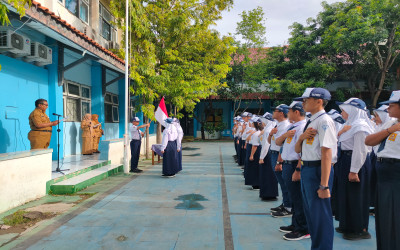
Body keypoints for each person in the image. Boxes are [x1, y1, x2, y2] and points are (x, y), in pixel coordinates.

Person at [294, 88, 337, 250]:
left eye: (306, 100)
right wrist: (301, 137)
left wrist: (324, 185)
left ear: (319, 101)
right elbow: (298, 150)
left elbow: (327, 153)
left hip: (319, 171)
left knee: (320, 216)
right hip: (308, 170)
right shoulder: (312, 121)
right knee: (312, 215)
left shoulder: (324, 121)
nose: (303, 103)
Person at [365, 90, 400, 250]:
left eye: (391, 106)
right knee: (384, 217)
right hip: (383, 173)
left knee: (395, 218)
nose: (387, 109)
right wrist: (391, 130)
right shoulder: (391, 123)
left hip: (395, 173)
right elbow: (369, 140)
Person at [336, 98, 374, 240]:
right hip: (346, 160)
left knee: (357, 196)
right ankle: (347, 225)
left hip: (356, 162)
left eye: (344, 110)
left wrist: (354, 170)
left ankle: (359, 228)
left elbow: (361, 150)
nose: (342, 112)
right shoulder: (349, 125)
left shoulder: (361, 127)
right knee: (346, 194)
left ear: (353, 110)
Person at [274, 101, 309, 240]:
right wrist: (285, 135)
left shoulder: (302, 128)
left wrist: (298, 169)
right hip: (288, 164)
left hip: (295, 164)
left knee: (299, 198)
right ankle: (295, 224)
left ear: (296, 112)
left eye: (289, 111)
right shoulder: (292, 127)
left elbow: (303, 152)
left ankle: (303, 229)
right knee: (294, 197)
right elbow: (278, 143)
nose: (287, 113)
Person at [267, 104, 291, 215]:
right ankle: (285, 203)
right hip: (273, 153)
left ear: (281, 113)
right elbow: (269, 141)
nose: (273, 112)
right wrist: (271, 134)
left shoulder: (286, 126)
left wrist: (279, 161)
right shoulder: (278, 125)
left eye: (275, 111)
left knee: (284, 183)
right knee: (281, 183)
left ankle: (288, 207)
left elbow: (283, 146)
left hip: (278, 155)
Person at [258, 112, 279, 200]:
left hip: (267, 154)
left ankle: (268, 194)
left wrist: (261, 157)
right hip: (270, 153)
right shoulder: (272, 127)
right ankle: (271, 193)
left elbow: (266, 145)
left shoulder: (268, 130)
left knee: (267, 175)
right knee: (271, 175)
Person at [246, 117, 262, 189]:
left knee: (255, 167)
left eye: (253, 123)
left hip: (256, 150)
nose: (252, 124)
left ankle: (256, 183)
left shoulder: (256, 133)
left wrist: (252, 155)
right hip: (258, 150)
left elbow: (255, 146)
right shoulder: (259, 132)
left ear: (257, 124)